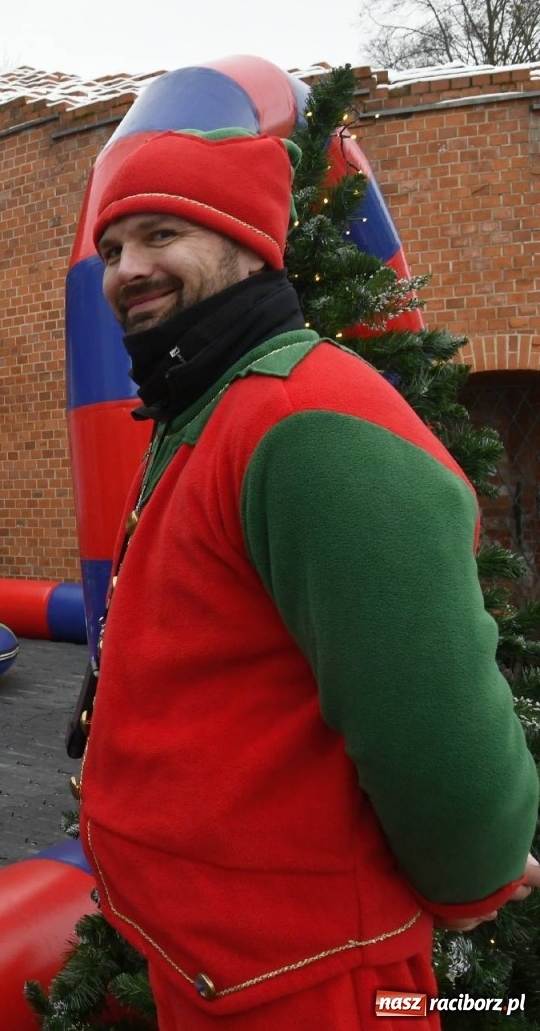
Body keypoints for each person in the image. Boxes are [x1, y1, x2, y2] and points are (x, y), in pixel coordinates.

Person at [76, 127, 538, 1029]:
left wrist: (474, 866)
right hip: (232, 963)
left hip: (313, 981)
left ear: (247, 243)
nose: (126, 269)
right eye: (112, 248)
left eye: (163, 235)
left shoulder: (305, 420)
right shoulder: (210, 403)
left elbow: (430, 721)